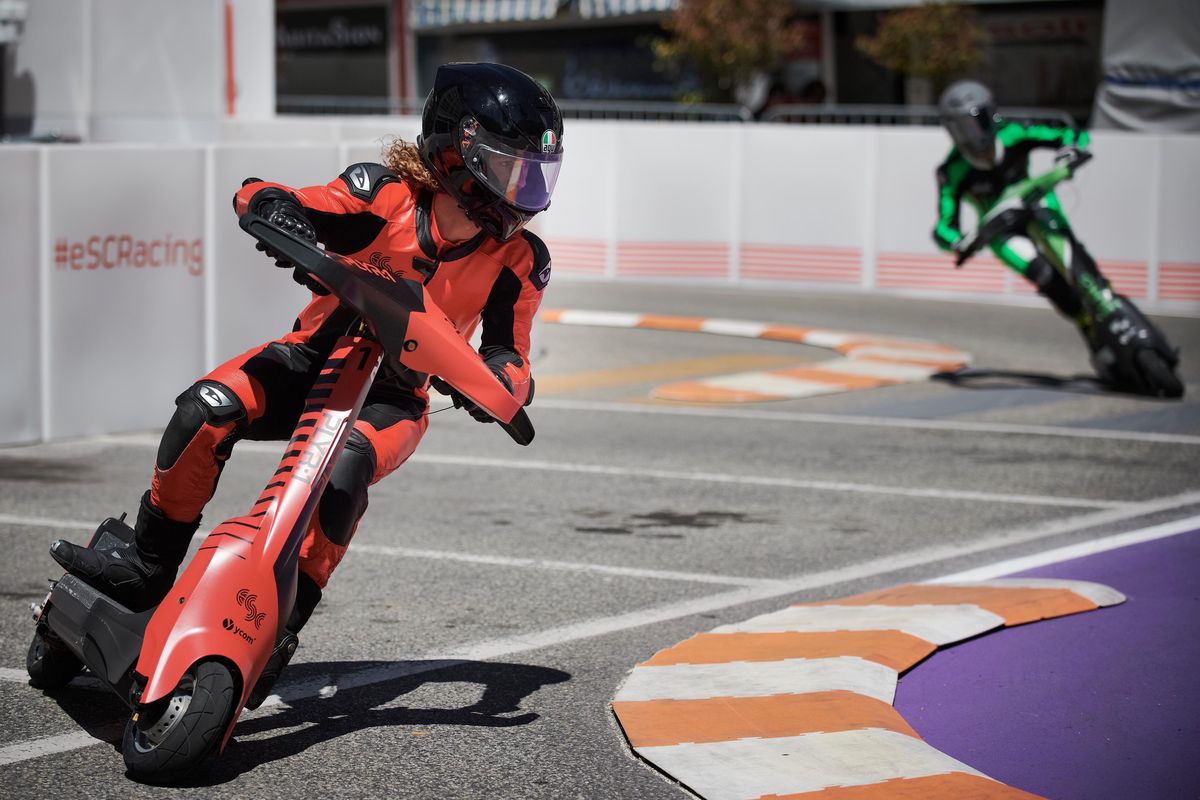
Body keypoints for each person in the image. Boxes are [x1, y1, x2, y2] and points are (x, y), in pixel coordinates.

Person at [47, 62, 563, 707]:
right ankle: (146, 567)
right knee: (203, 410)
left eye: (536, 174)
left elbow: (512, 357)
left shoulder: (522, 261)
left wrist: (501, 383)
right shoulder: (383, 195)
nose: (526, 191)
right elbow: (268, 195)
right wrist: (277, 213)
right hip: (308, 360)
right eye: (513, 169)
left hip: (394, 398)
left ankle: (283, 626)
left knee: (345, 469)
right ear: (457, 155)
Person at [933, 80, 1099, 344]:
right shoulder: (952, 170)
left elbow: (1069, 133)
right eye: (963, 126)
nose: (973, 134)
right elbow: (944, 225)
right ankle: (1087, 324)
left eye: (977, 121)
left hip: (1036, 203)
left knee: (1070, 249)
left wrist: (1071, 150)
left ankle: (1103, 293)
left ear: (991, 115)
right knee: (1043, 274)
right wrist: (957, 241)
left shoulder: (1013, 132)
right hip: (1000, 230)